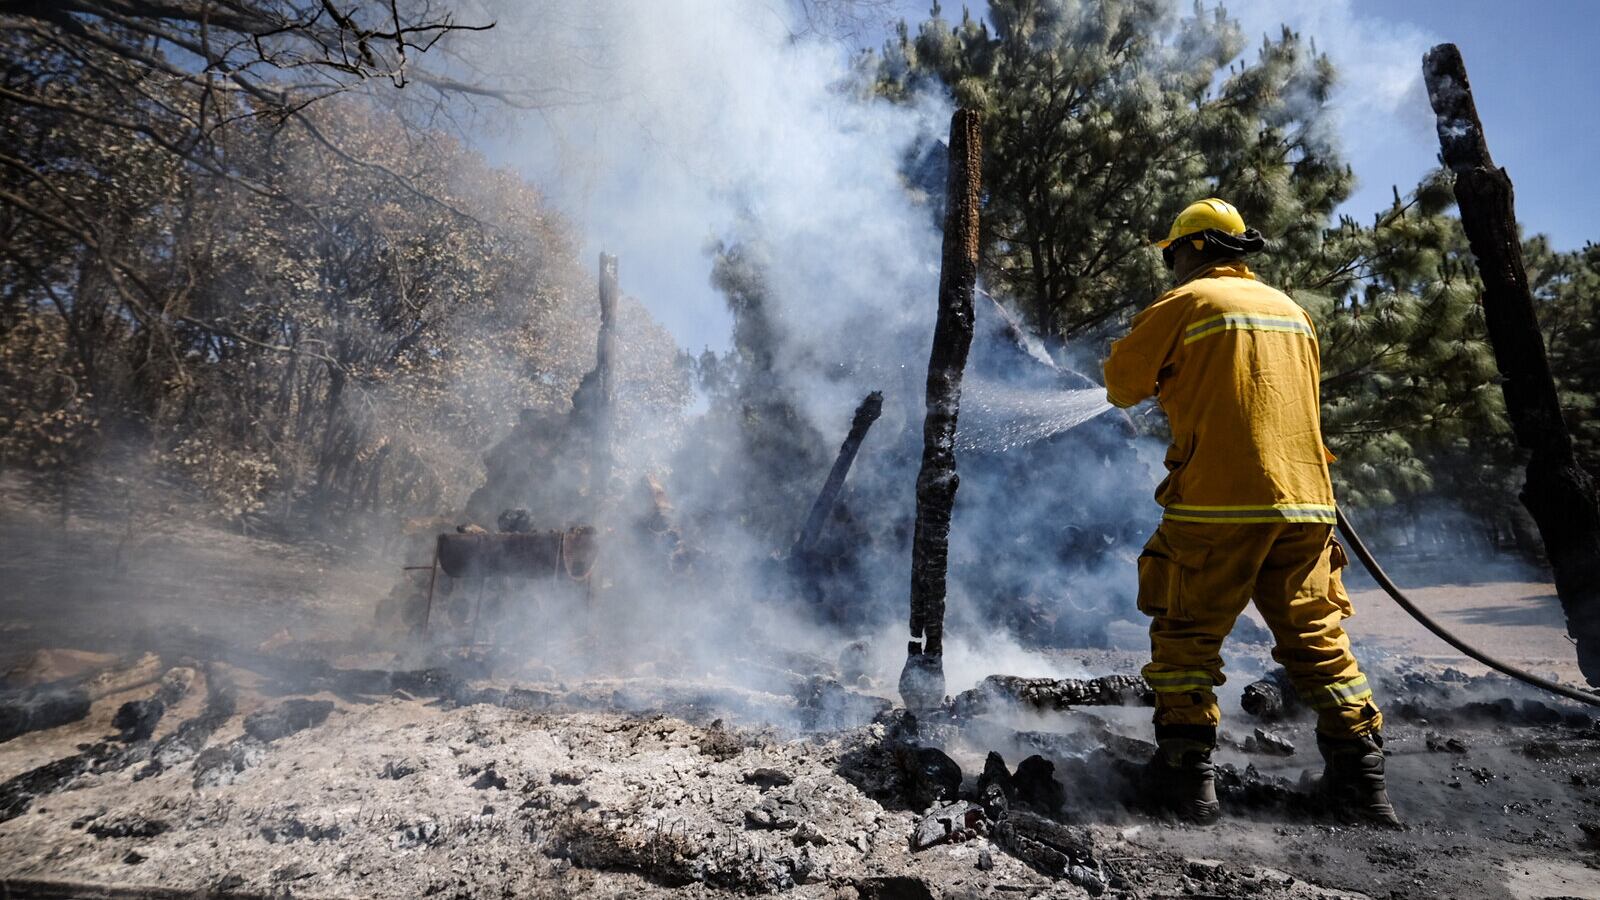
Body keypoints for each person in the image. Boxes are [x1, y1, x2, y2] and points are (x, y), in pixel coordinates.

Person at [1102, 198, 1398, 827]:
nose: (1171, 266)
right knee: (1317, 640)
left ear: (1196, 249)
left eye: (1173, 253)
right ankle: (1362, 782)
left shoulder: (1187, 303)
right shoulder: (1294, 312)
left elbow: (1123, 384)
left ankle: (1186, 782)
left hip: (1218, 503)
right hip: (1308, 503)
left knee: (1186, 635)